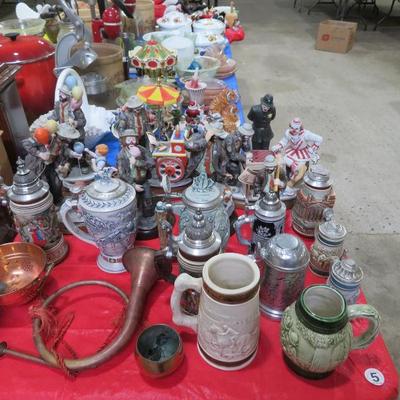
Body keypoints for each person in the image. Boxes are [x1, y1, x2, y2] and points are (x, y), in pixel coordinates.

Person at [117, 129, 156, 235]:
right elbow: (121, 173)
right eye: (128, 139)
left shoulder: (142, 150)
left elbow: (152, 163)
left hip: (143, 180)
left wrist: (137, 162)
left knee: (148, 199)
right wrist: (133, 185)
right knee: (134, 203)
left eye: (133, 139)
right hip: (131, 183)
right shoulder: (122, 155)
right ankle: (135, 221)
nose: (131, 142)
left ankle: (149, 218)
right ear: (123, 140)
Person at [272, 117, 323, 191]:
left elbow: (319, 139)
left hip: (302, 154)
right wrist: (278, 146)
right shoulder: (288, 133)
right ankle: (283, 178)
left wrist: (312, 149)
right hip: (291, 152)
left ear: (300, 128)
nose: (293, 130)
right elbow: (284, 141)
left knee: (298, 169)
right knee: (282, 162)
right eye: (292, 128)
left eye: (296, 129)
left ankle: (291, 182)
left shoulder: (306, 134)